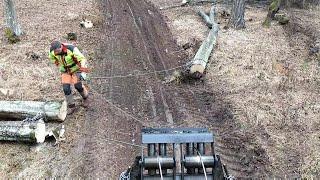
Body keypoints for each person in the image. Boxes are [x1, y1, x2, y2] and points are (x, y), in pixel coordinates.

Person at [49, 41, 90, 115]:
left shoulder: (71, 49)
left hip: (76, 68)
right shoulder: (52, 51)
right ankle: (71, 106)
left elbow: (82, 59)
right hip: (65, 70)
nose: (57, 52)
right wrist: (60, 66)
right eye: (55, 51)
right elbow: (53, 59)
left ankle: (85, 98)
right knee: (66, 88)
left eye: (58, 51)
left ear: (61, 47)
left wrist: (83, 72)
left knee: (77, 86)